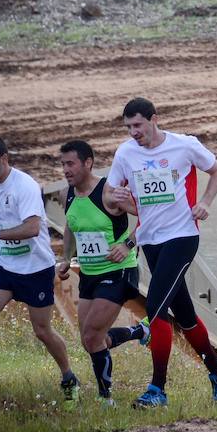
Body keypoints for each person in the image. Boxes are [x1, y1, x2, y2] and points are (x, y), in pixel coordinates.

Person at [105, 97, 217, 407]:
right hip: (150, 240)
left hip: (183, 236)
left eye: (138, 125)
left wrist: (205, 203)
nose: (134, 132)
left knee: (157, 307)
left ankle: (157, 389)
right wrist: (117, 198)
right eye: (128, 127)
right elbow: (110, 196)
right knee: (186, 317)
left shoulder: (183, 146)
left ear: (154, 119)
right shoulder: (125, 153)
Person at [0, 137, 80, 409]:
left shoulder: (25, 186)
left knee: (42, 331)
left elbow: (32, 228)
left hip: (35, 269)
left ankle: (69, 379)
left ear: (4, 159)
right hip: (5, 266)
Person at [56, 140, 146, 406]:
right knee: (90, 340)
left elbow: (150, 217)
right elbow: (72, 226)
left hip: (119, 271)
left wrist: (127, 244)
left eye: (70, 163)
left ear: (88, 163)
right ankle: (140, 332)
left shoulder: (109, 192)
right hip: (89, 274)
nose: (65, 170)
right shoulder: (66, 194)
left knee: (93, 337)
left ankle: (106, 399)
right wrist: (66, 258)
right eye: (62, 164)